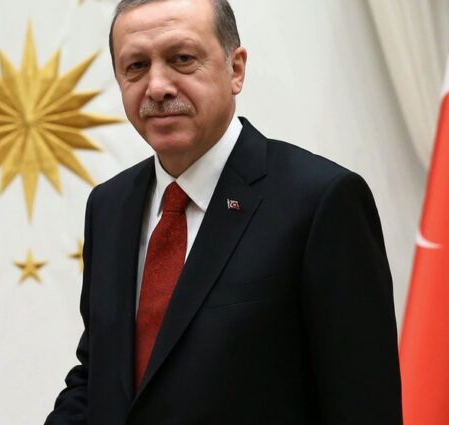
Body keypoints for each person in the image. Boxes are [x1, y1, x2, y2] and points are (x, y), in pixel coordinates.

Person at [45, 0, 402, 424]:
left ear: (236, 69)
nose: (157, 87)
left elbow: (362, 404)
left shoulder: (320, 201)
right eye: (136, 66)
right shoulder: (108, 206)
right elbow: (100, 376)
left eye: (182, 59)